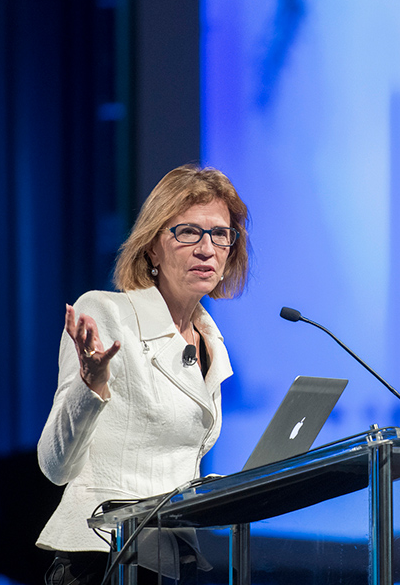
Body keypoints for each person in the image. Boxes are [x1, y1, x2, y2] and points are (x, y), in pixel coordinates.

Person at [36, 165, 249, 584]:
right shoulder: (105, 314)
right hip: (101, 560)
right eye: (188, 232)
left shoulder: (210, 340)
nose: (207, 248)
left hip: (170, 561)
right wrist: (91, 386)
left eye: (220, 234)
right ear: (152, 247)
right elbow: (55, 466)